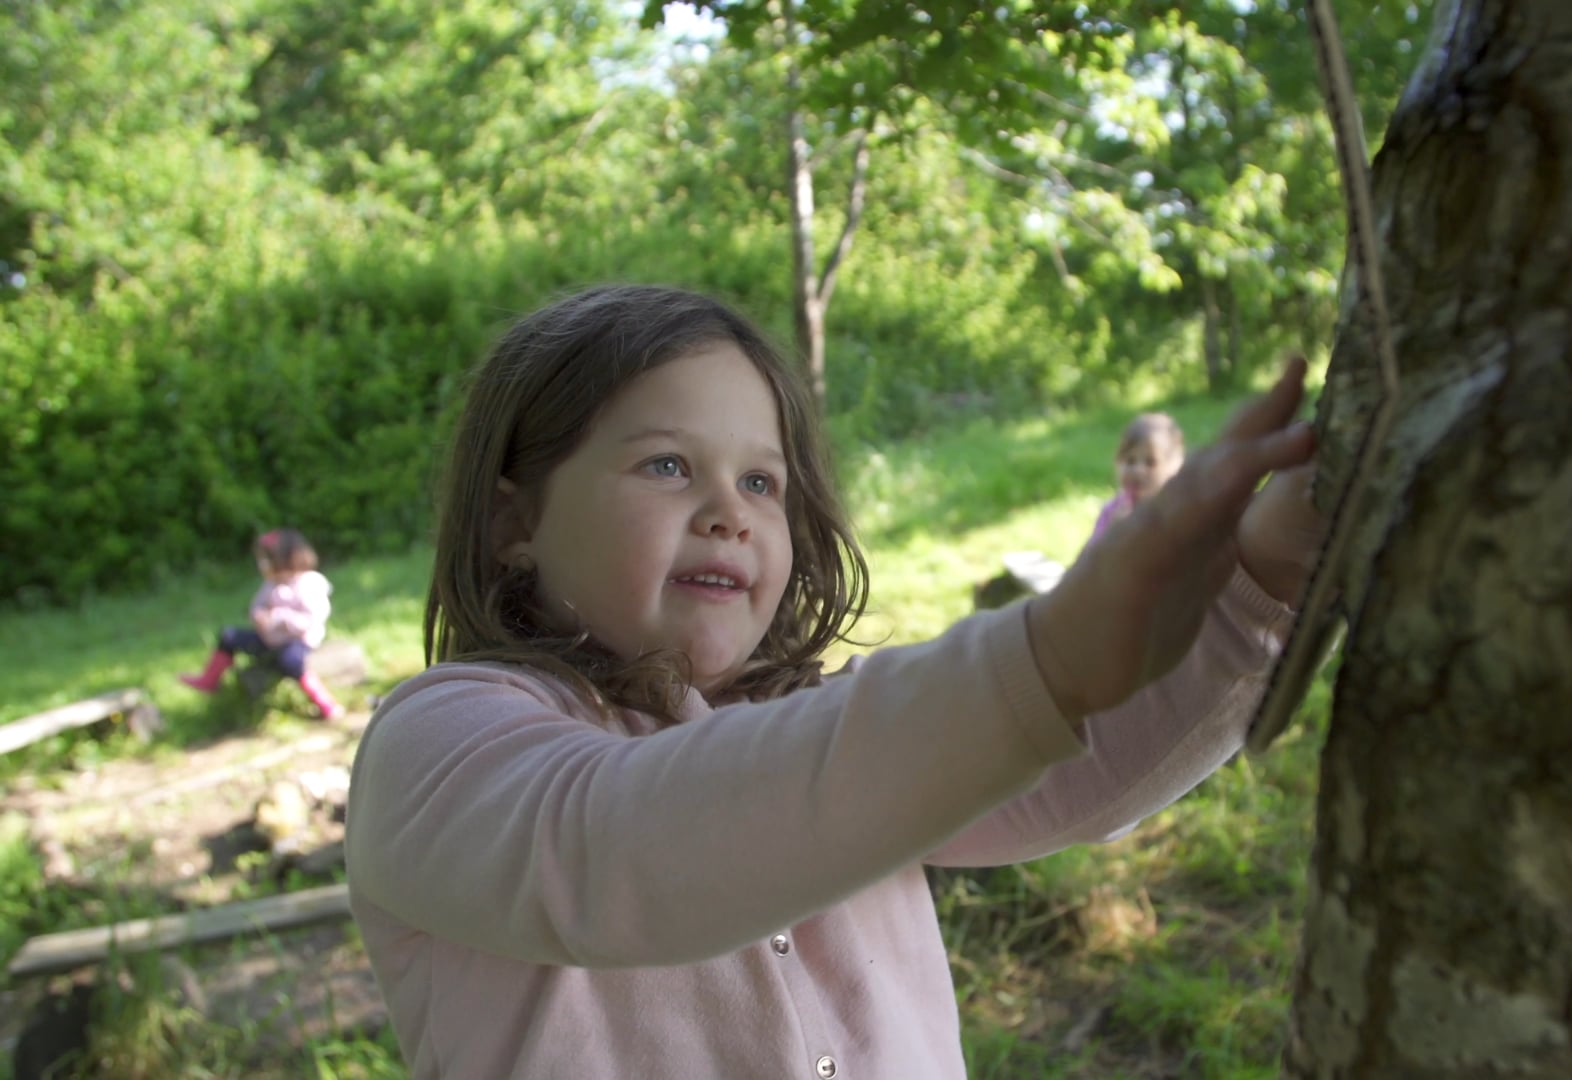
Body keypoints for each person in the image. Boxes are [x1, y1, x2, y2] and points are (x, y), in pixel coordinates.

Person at [343, 284, 1324, 1077]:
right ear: (515, 527)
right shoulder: (438, 745)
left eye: (762, 481)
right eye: (668, 465)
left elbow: (1075, 767)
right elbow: (622, 851)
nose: (730, 510)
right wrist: (1046, 657)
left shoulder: (832, 730)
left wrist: (1269, 574)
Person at [179, 528, 344, 720]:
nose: (262, 565)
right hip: (269, 638)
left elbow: (311, 620)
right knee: (229, 636)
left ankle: (325, 703)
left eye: (266, 560)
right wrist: (258, 615)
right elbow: (257, 605)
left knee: (291, 661)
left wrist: (280, 617)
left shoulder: (309, 583)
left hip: (297, 640)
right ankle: (210, 680)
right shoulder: (271, 584)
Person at [1090, 411, 1185, 542]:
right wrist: (1112, 533)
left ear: (1174, 467)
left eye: (1150, 462)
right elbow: (1093, 554)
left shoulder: (1176, 510)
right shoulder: (1112, 511)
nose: (1138, 470)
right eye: (1130, 461)